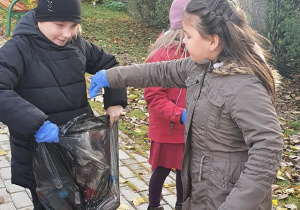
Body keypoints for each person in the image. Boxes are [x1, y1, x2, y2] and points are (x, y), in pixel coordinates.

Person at [88, 0, 284, 209]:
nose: (184, 41)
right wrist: (111, 76)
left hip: (226, 198)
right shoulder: (201, 66)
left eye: (189, 36)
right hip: (204, 191)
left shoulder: (243, 84)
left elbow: (268, 145)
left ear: (212, 41)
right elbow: (158, 71)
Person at [0, 0, 127, 209]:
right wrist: (36, 123)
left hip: (78, 150)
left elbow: (109, 64)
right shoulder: (18, 49)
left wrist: (115, 100)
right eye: (59, 25)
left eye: (73, 25)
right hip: (39, 154)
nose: (67, 33)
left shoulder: (77, 44)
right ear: (41, 18)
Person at [143, 0, 190, 209]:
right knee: (161, 170)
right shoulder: (160, 55)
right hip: (166, 127)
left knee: (183, 171)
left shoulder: (194, 51)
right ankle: (154, 205)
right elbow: (154, 96)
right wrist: (178, 114)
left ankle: (181, 204)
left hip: (187, 129)